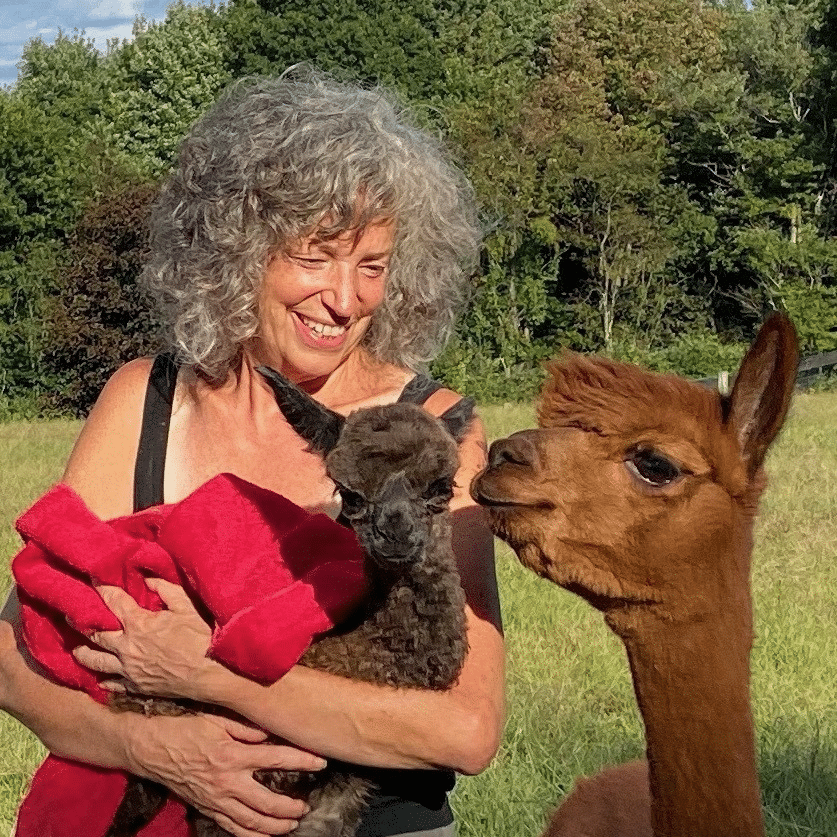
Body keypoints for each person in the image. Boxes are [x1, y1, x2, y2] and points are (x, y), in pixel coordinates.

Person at [0, 69, 505, 837]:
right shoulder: (145, 400)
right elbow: (12, 657)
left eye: (371, 265)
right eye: (315, 257)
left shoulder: (433, 431)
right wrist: (151, 745)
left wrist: (203, 672)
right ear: (236, 250)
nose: (346, 298)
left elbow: (464, 728)